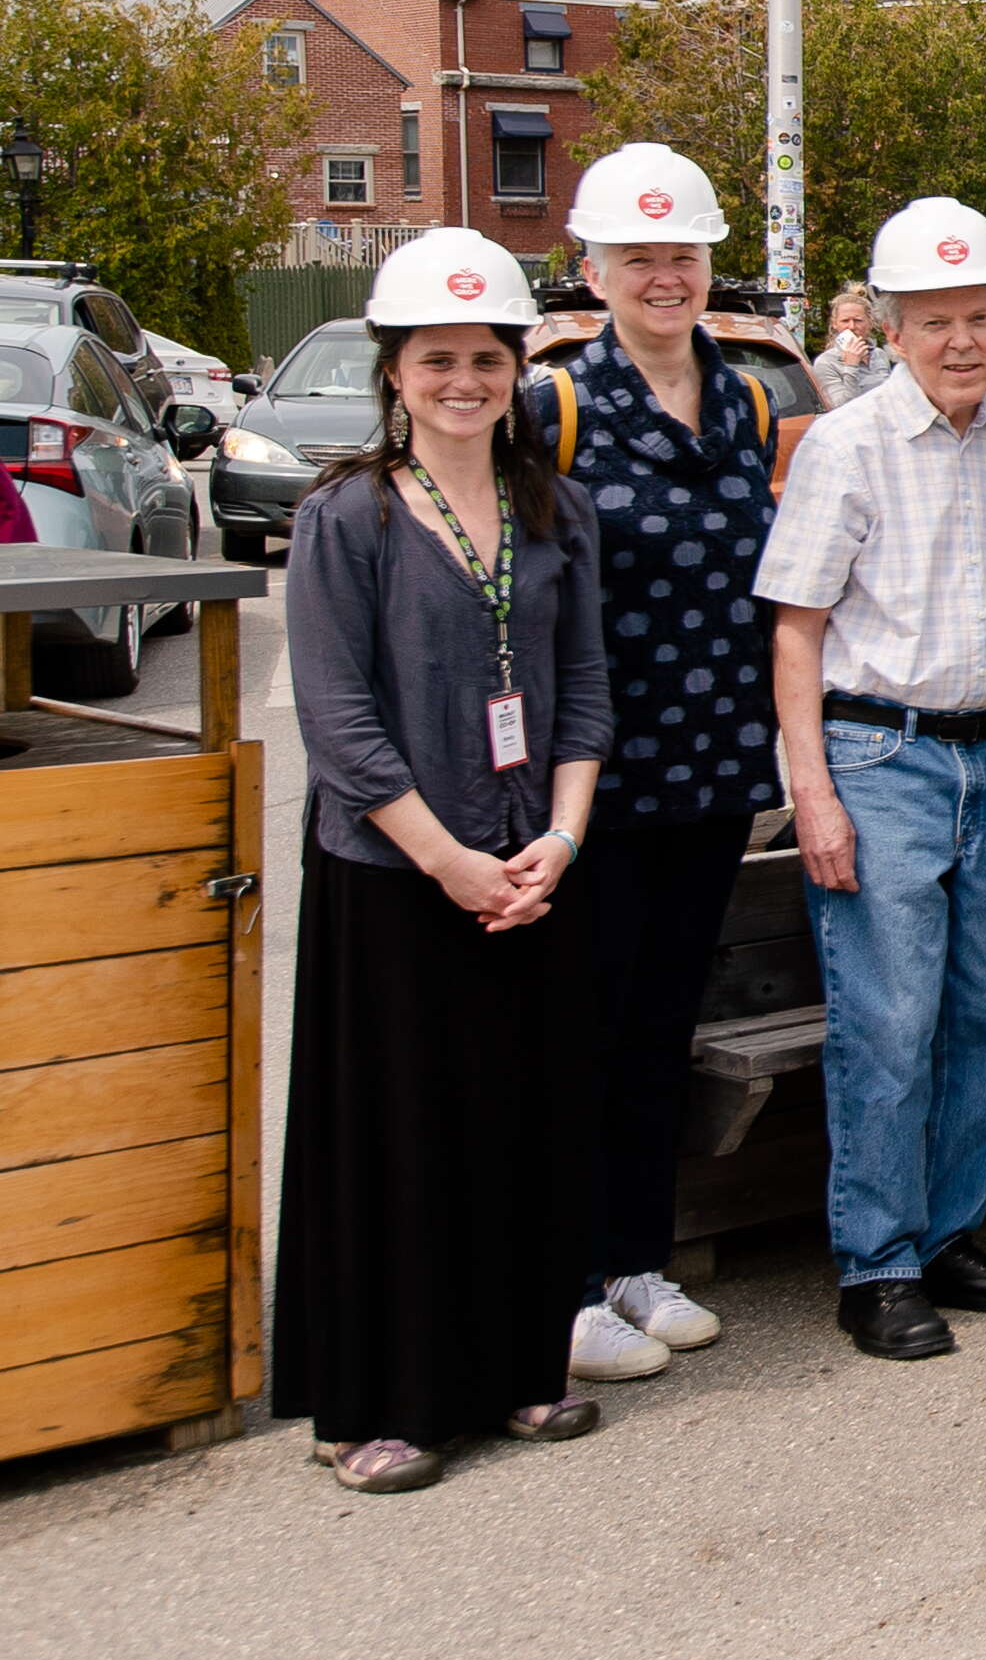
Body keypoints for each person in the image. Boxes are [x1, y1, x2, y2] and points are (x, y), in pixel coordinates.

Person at [273, 229, 612, 1492]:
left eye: (485, 357)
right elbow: (340, 720)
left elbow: (583, 693)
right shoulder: (345, 515)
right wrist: (451, 861)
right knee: (401, 1136)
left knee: (518, 1121)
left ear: (516, 367)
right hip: (395, 877)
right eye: (436, 359)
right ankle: (386, 1401)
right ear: (395, 371)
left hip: (534, 868)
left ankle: (517, 1367)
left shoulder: (553, 509)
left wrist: (559, 840)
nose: (462, 380)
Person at [757, 200, 986, 1361]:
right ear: (891, 327)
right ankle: (878, 1263)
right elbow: (796, 632)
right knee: (887, 1023)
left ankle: (951, 1236)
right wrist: (815, 793)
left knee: (979, 1020)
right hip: (877, 756)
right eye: (934, 320)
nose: (959, 340)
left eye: (978, 318)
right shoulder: (844, 447)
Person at [545, 144, 783, 1390]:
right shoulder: (558, 403)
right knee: (581, 1024)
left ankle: (635, 1254)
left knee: (658, 1026)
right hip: (597, 773)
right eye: (639, 256)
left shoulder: (743, 397)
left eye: (681, 253)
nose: (663, 275)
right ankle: (569, 1278)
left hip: (712, 769)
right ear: (593, 268)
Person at [813, 286, 895, 407]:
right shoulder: (826, 362)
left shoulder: (879, 355)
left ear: (870, 323)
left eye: (858, 320)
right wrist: (851, 366)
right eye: (845, 321)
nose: (851, 326)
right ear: (835, 324)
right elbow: (841, 408)